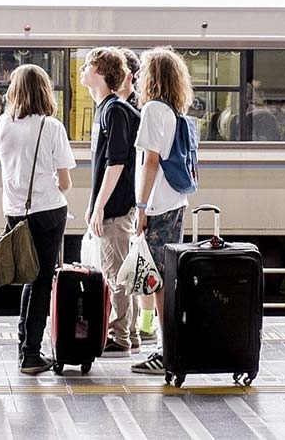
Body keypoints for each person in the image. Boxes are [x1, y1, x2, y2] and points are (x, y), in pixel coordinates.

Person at [0, 64, 75, 374]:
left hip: (14, 211)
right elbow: (65, 182)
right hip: (48, 211)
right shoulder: (51, 127)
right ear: (45, 91)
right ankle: (30, 354)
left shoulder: (4, 123)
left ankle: (25, 346)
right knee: (41, 282)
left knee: (28, 274)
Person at [131, 47, 194, 375]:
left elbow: (150, 162)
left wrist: (141, 207)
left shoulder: (153, 110)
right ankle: (170, 347)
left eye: (144, 71)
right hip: (174, 202)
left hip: (158, 206)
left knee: (158, 281)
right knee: (162, 278)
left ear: (153, 77)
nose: (139, 77)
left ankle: (166, 350)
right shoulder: (172, 111)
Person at [80, 47, 140, 357]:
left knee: (115, 273)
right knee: (119, 269)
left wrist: (100, 206)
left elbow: (116, 163)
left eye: (88, 65)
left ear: (102, 73)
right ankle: (130, 332)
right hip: (111, 204)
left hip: (116, 207)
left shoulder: (114, 110)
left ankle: (120, 335)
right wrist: (93, 204)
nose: (83, 70)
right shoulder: (107, 108)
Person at [117, 48, 155, 347]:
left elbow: (144, 160)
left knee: (143, 263)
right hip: (136, 197)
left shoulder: (135, 110)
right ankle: (140, 326)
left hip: (135, 198)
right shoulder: (129, 107)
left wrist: (140, 204)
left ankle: (144, 326)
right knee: (138, 263)